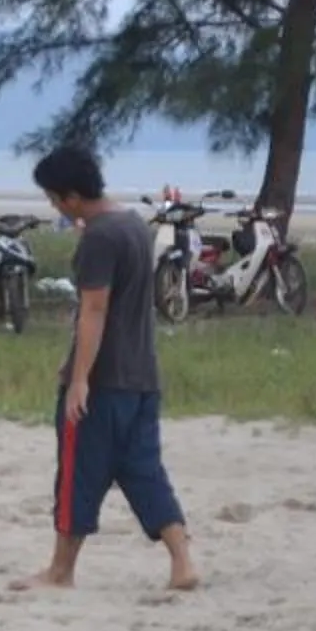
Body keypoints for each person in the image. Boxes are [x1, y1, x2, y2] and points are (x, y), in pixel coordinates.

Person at [25, 146, 200, 593]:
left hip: (106, 382)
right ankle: (182, 562)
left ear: (70, 196)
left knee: (77, 473)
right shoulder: (134, 226)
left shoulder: (100, 237)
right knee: (144, 471)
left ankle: (60, 571)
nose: (53, 207)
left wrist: (79, 379)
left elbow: (94, 310)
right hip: (143, 376)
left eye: (53, 198)